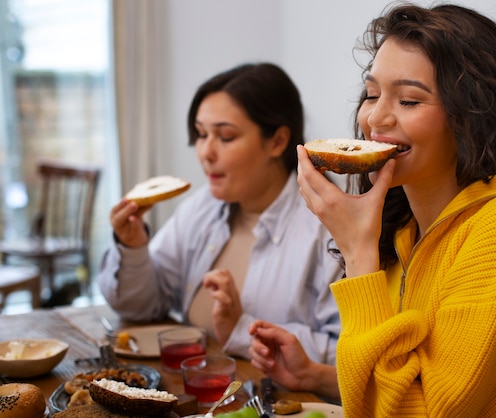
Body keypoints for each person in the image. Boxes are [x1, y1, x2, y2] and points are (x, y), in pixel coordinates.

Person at [254, 3, 496, 416]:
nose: (375, 118)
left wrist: (358, 254)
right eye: (372, 94)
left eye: (410, 100)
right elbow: (402, 383)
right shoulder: (406, 228)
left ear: (470, 117)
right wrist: (313, 376)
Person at [97, 63, 343, 363]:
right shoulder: (205, 206)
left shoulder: (327, 228)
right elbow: (141, 306)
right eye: (201, 134)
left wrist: (242, 329)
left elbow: (345, 351)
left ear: (277, 141)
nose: (205, 152)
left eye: (225, 137)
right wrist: (133, 248)